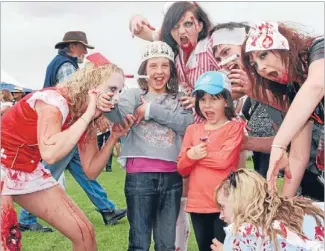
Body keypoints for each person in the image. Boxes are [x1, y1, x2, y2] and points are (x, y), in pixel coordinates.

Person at [0, 61, 134, 251]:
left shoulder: (85, 117)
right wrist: (89, 113)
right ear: (92, 85)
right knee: (7, 240)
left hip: (26, 169)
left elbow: (91, 171)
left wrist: (113, 137)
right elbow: (50, 153)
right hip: (3, 162)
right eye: (113, 89)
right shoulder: (54, 100)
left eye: (120, 91)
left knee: (84, 232)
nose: (116, 98)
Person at [104, 41, 194, 251]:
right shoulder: (134, 95)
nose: (159, 71)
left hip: (173, 177)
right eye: (153, 66)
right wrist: (108, 103)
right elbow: (120, 115)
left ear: (171, 70)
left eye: (165, 65)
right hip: (139, 178)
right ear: (144, 69)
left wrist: (151, 110)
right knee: (139, 243)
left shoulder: (181, 99)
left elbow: (187, 125)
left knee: (166, 245)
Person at [242, 21, 324, 196]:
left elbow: (317, 86)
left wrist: (279, 144)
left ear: (284, 46)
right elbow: (298, 157)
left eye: (263, 55)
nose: (261, 68)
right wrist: (282, 208)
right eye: (254, 65)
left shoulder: (319, 48)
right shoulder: (295, 90)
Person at [177, 71, 244, 250]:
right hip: (197, 204)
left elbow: (224, 160)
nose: (207, 105)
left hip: (225, 206)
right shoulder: (192, 130)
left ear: (226, 101)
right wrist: (189, 157)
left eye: (214, 99)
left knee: (224, 247)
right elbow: (181, 168)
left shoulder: (234, 128)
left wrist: (195, 156)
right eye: (203, 99)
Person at [212, 168, 324, 250]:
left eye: (223, 207)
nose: (221, 215)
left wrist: (228, 248)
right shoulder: (302, 209)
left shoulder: (242, 233)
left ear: (238, 202)